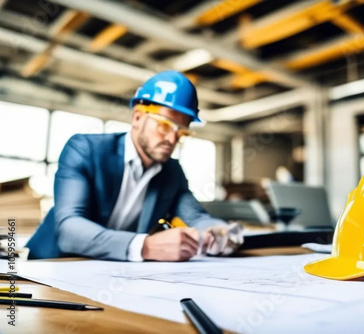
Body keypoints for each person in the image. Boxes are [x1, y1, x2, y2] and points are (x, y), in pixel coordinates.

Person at [26, 71, 243, 261]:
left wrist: (219, 231)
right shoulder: (85, 150)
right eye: (164, 125)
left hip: (107, 272)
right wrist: (146, 246)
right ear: (137, 117)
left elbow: (197, 218)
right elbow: (69, 229)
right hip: (51, 267)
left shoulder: (171, 172)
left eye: (181, 132)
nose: (172, 139)